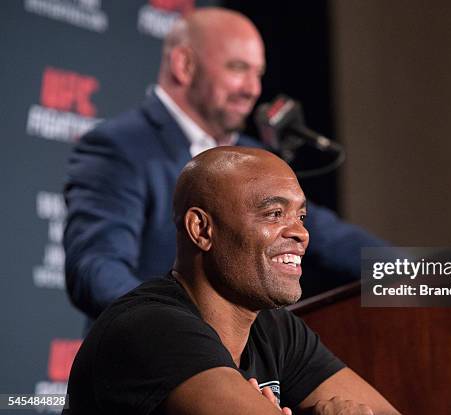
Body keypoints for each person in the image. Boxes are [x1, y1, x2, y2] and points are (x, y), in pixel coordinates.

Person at [63, 7, 385, 319]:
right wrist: (180, 330)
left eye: (258, 73)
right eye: (237, 68)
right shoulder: (120, 146)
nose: (253, 89)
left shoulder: (251, 156)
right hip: (152, 362)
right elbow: (96, 268)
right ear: (184, 64)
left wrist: (423, 276)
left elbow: (330, 236)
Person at [63, 147, 399, 415]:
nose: (300, 233)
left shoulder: (276, 329)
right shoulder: (149, 327)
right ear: (202, 230)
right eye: (274, 214)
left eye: (301, 216)